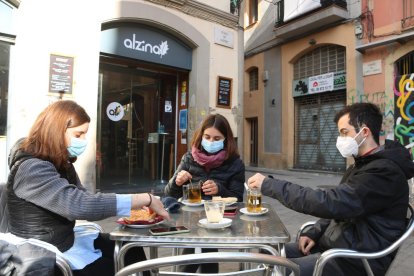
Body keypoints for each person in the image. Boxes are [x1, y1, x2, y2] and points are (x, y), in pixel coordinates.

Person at [248, 102, 414, 276]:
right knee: (266, 253)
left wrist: (269, 185)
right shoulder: (362, 164)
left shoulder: (384, 172)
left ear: (364, 132)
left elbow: (330, 202)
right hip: (336, 245)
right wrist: (314, 232)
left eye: (344, 133)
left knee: (283, 269)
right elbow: (341, 207)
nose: (340, 139)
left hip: (355, 260)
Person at [6, 100, 170, 276]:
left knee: (129, 247)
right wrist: (143, 198)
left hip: (64, 239)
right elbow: (79, 205)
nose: (84, 141)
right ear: (55, 131)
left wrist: (133, 207)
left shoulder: (61, 162)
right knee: (114, 266)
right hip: (43, 252)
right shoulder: (31, 168)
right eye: (79, 134)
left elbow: (85, 196)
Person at [165, 113, 245, 273]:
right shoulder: (189, 158)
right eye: (207, 137)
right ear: (201, 136)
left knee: (204, 243)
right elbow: (168, 194)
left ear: (226, 139)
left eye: (216, 139)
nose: (210, 142)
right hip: (189, 217)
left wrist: (219, 190)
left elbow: (238, 198)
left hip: (219, 220)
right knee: (202, 245)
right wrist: (177, 181)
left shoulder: (235, 163)